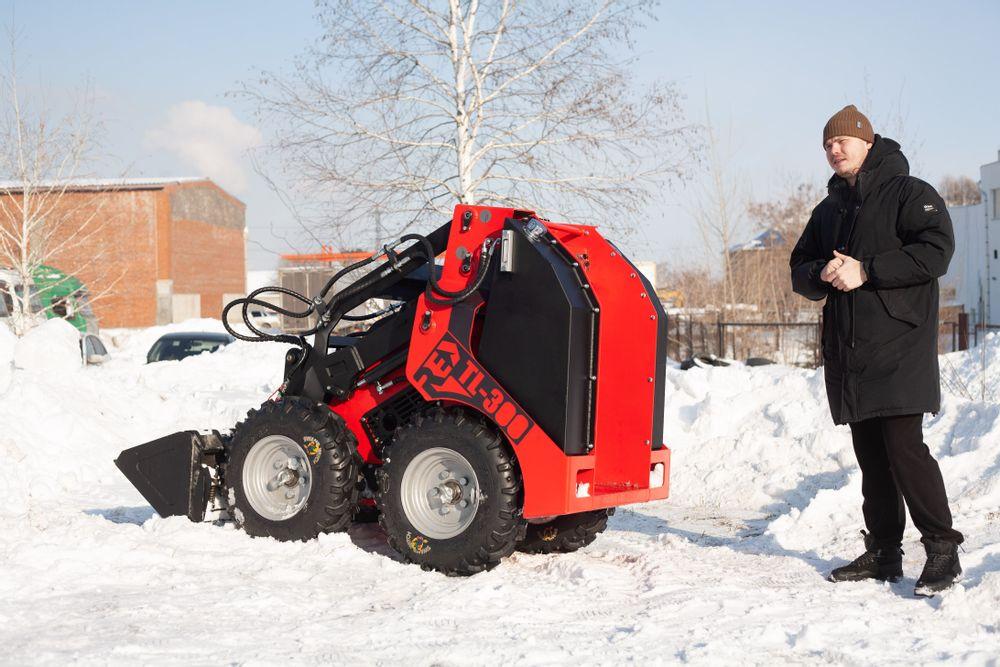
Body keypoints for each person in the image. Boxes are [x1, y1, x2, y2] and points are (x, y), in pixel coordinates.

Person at [790, 105, 963, 596]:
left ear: (868, 143)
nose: (834, 150)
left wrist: (867, 270)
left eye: (842, 141)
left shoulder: (910, 194)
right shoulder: (829, 210)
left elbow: (936, 251)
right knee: (871, 457)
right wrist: (819, 272)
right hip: (851, 352)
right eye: (827, 144)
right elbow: (799, 265)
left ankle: (943, 550)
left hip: (900, 346)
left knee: (905, 451)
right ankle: (885, 552)